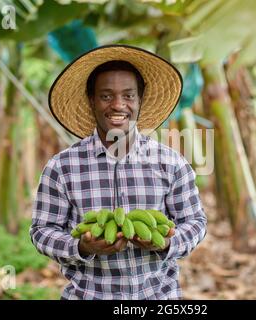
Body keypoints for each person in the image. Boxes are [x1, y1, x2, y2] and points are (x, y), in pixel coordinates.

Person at [30, 45, 207, 300]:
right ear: (91, 100)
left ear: (140, 100)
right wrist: (80, 246)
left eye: (128, 96)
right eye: (106, 96)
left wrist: (168, 242)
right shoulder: (62, 168)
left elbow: (196, 223)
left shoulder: (171, 163)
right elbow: (41, 231)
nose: (118, 105)